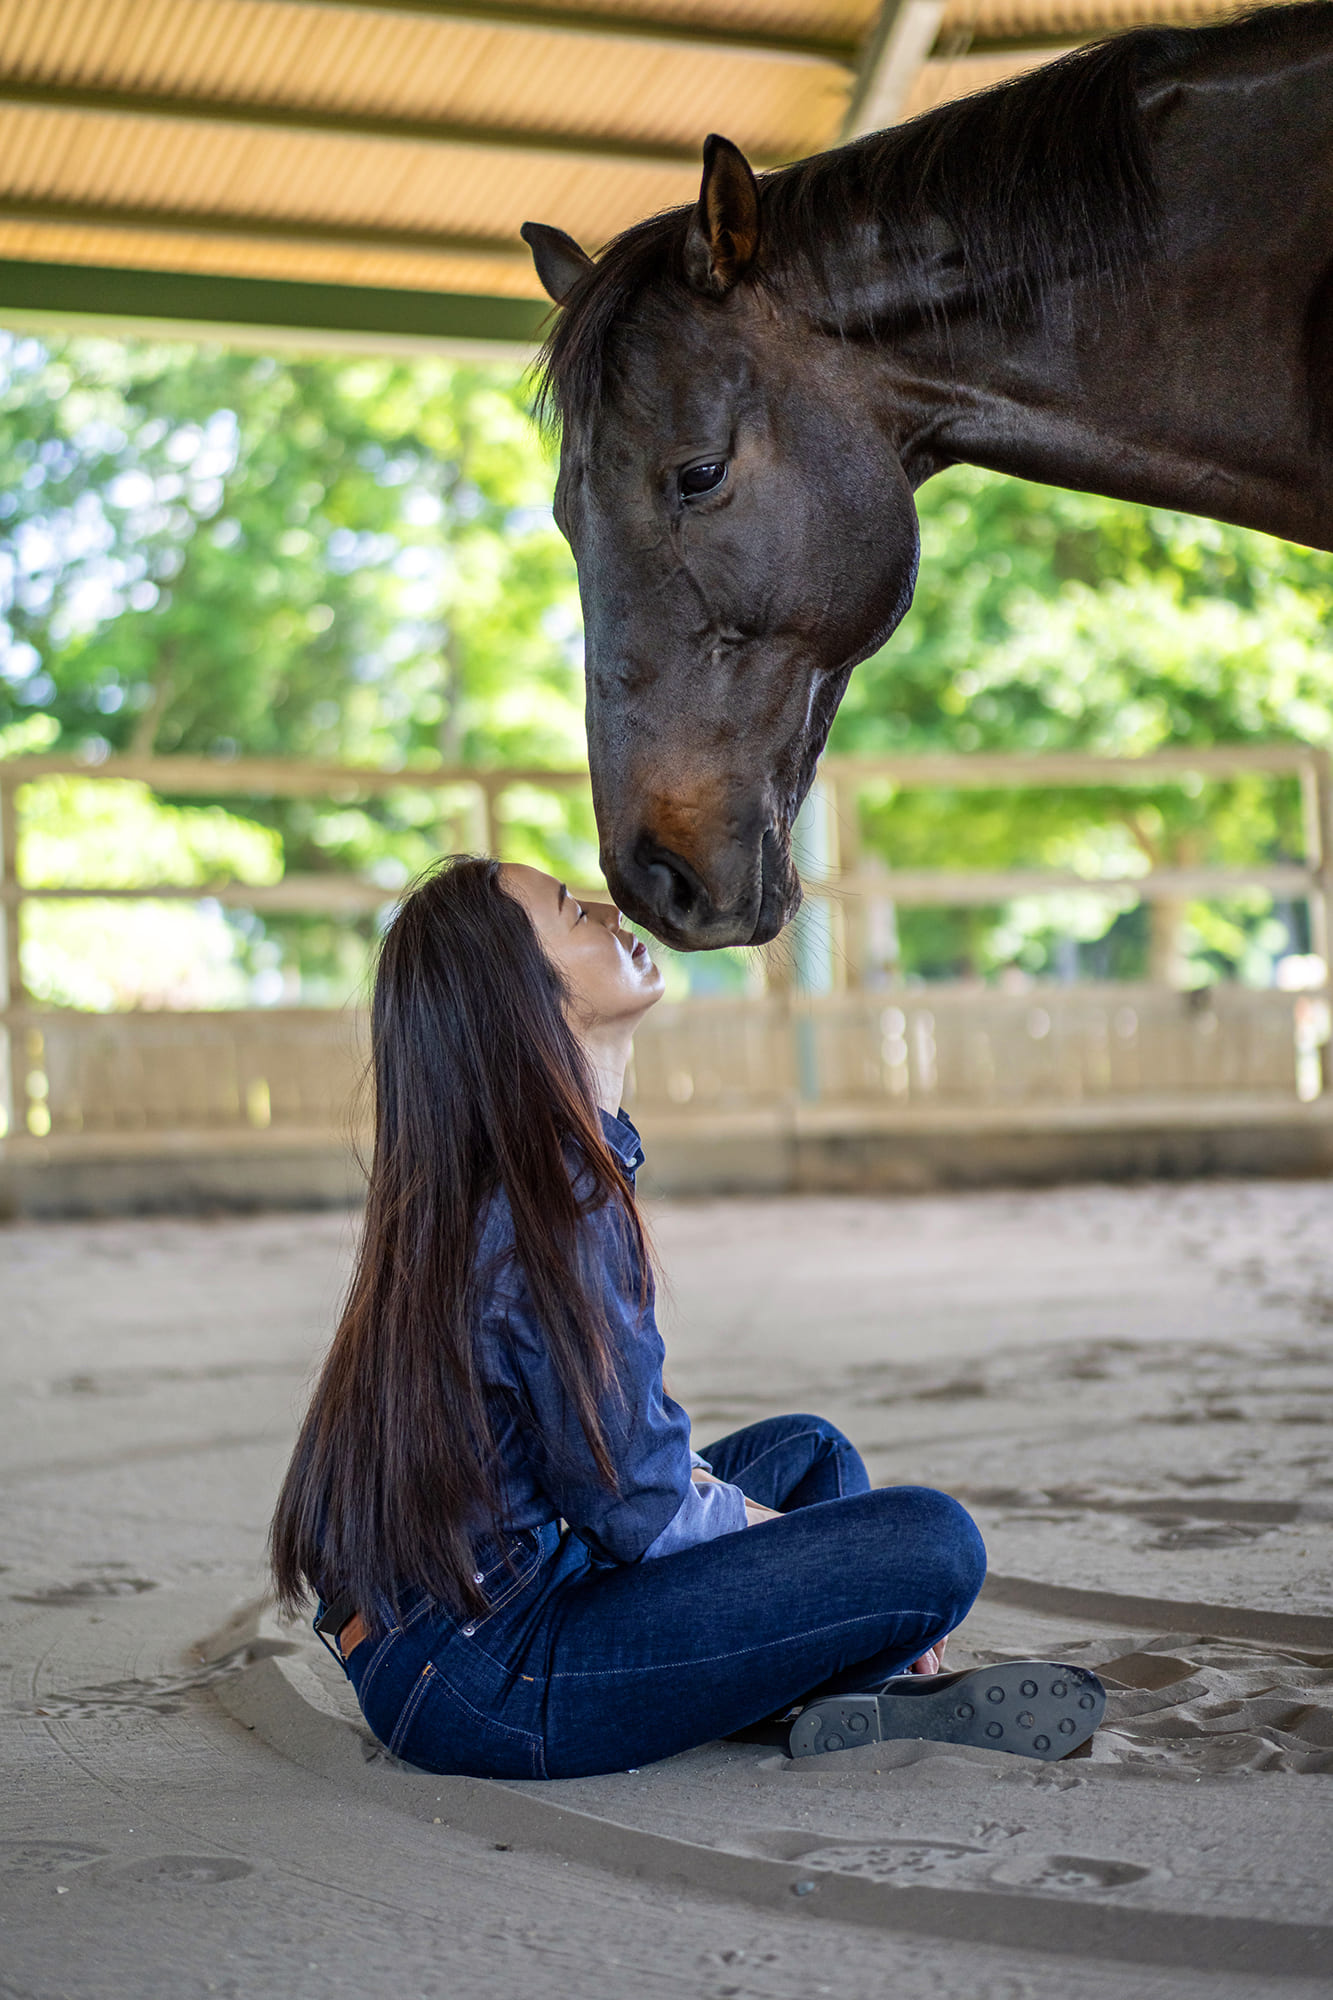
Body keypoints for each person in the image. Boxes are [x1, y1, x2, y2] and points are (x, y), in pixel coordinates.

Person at [270, 858, 1104, 1779]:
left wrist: (771, 1527)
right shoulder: (553, 1203)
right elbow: (636, 1504)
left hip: (448, 1632)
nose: (607, 908)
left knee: (812, 1452)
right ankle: (818, 1687)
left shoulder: (519, 1176)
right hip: (487, 1679)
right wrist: (783, 1538)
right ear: (521, 993)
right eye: (568, 910)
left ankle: (813, 1691)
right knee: (932, 1543)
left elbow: (590, 1461)